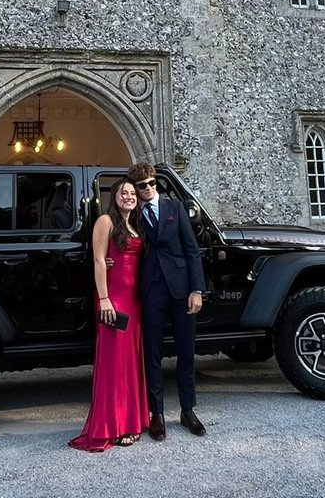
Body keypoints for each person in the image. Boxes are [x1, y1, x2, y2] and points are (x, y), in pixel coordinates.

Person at [69, 179, 150, 451]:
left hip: (134, 301)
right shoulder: (106, 221)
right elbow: (99, 259)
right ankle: (114, 425)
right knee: (114, 364)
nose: (128, 197)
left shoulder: (135, 224)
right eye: (123, 193)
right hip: (113, 299)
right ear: (114, 197)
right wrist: (103, 298)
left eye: (131, 193)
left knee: (130, 361)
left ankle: (132, 420)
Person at [128, 162, 206, 440]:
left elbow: (192, 250)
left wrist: (197, 290)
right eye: (142, 186)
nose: (148, 188)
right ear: (135, 189)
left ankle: (188, 410)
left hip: (182, 287)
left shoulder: (175, 209)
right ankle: (156, 413)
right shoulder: (133, 214)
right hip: (150, 289)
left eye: (151, 183)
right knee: (152, 352)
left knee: (186, 351)